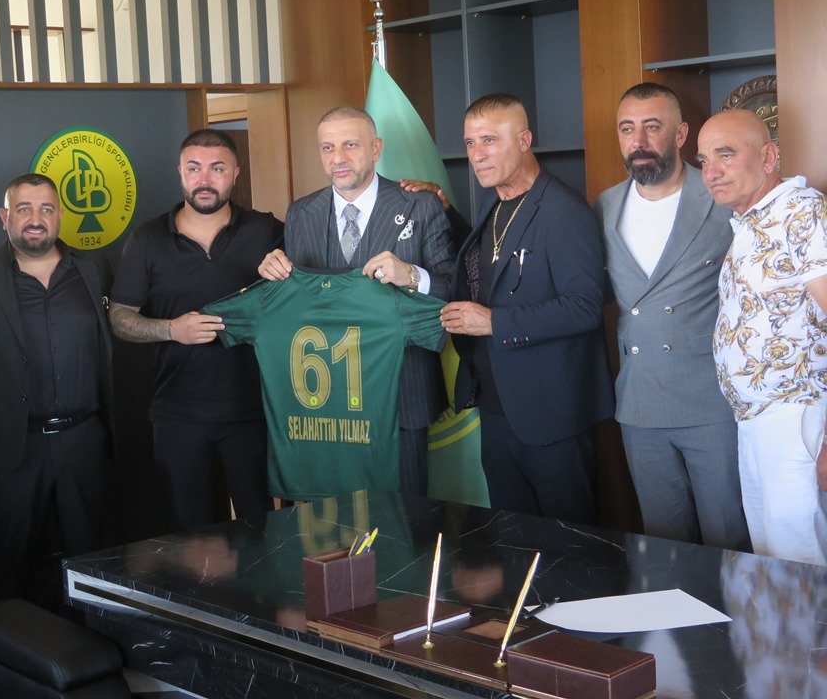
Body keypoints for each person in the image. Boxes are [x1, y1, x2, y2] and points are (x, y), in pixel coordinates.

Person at [258, 105, 455, 497]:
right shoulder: (300, 214)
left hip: (401, 394)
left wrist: (411, 275)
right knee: (330, 523)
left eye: (350, 145)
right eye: (327, 147)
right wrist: (273, 275)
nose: (338, 158)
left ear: (376, 148)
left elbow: (452, 291)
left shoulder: (420, 205)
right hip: (323, 403)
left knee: (405, 519)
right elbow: (298, 303)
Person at [0, 173, 113, 601]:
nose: (36, 219)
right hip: (11, 447)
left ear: (60, 216)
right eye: (24, 209)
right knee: (9, 567)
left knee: (93, 566)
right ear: (5, 217)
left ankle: (91, 640)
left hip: (84, 442)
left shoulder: (93, 268)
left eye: (46, 209)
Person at [441, 94, 613, 524]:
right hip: (497, 409)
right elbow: (494, 269)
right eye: (470, 143)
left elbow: (584, 308)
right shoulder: (495, 202)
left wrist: (493, 322)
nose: (477, 155)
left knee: (570, 544)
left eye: (489, 140)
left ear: (524, 140)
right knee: (512, 540)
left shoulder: (564, 211)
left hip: (550, 415)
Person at [595, 83, 749, 550]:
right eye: (627, 129)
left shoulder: (720, 195)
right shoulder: (605, 206)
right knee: (664, 545)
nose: (638, 140)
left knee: (728, 541)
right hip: (639, 402)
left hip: (711, 402)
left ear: (681, 134)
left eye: (652, 126)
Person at [108, 129, 282, 531]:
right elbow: (120, 318)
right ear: (180, 173)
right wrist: (172, 329)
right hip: (177, 414)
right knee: (194, 538)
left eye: (217, 168)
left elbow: (319, 270)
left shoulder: (266, 230)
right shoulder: (148, 239)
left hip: (254, 411)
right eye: (194, 168)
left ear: (235, 173)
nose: (205, 179)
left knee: (262, 530)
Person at [698, 108, 827, 565]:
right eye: (704, 161)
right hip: (754, 420)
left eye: (726, 154)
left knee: (801, 567)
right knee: (774, 563)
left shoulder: (801, 211)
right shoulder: (752, 221)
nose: (711, 172)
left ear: (769, 157)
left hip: (795, 418)